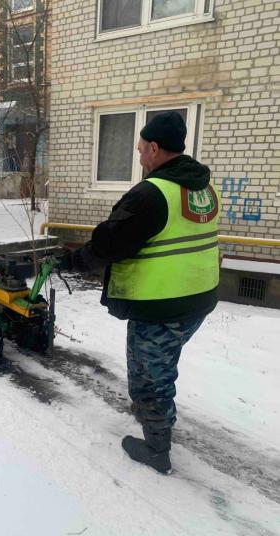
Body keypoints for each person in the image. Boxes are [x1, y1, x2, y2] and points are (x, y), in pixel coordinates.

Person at [66, 111, 220, 474]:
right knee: (164, 365)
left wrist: (71, 262)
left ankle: (156, 447)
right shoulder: (203, 188)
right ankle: (156, 414)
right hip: (198, 299)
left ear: (153, 147)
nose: (138, 158)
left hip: (161, 304)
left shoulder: (152, 194)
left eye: (139, 151)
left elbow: (107, 245)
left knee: (149, 376)